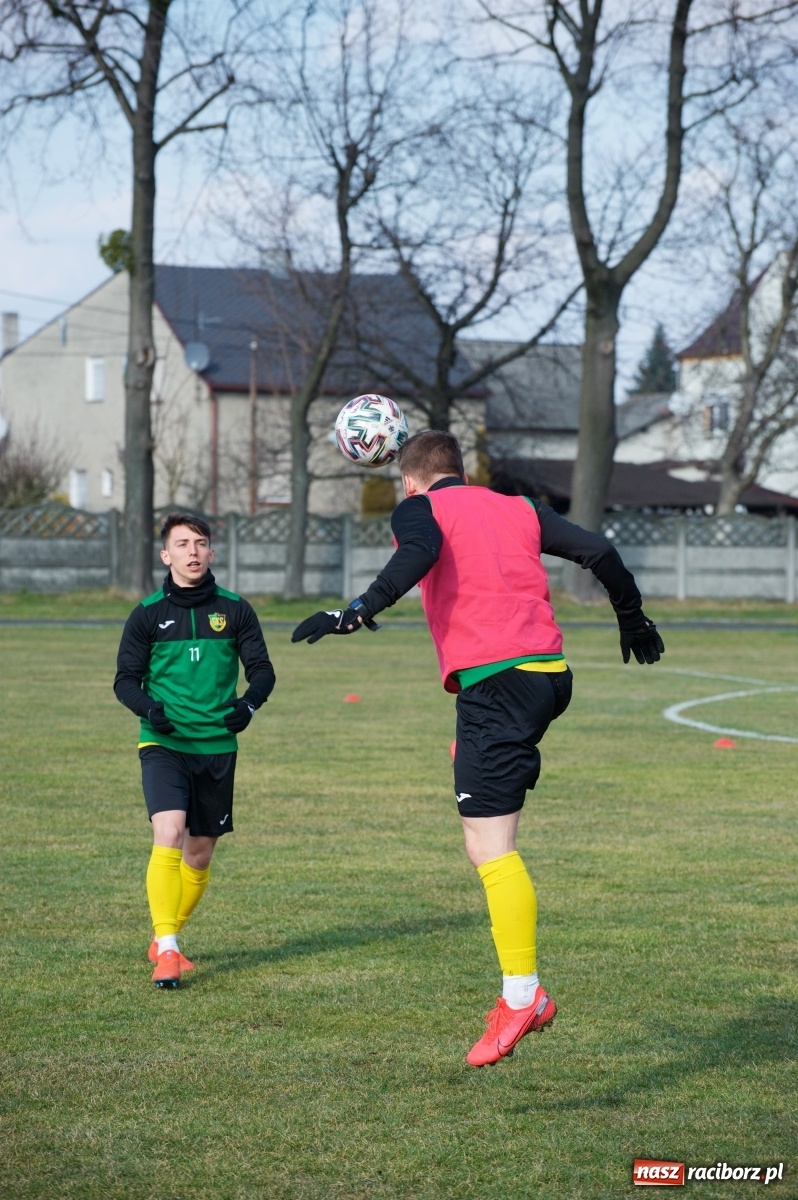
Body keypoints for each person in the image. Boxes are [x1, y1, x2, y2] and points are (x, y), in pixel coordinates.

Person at [292, 430, 663, 1066]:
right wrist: (632, 617)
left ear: (409, 480)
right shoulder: (516, 506)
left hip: (499, 683)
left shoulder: (418, 508)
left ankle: (524, 997)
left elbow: (420, 551)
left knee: (490, 848)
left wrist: (356, 609)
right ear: (461, 470)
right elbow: (599, 550)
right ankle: (522, 992)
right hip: (546, 677)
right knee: (478, 806)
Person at [114, 513, 275, 988]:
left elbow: (262, 671)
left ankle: (168, 933)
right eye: (181, 544)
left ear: (210, 553)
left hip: (217, 746)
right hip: (163, 742)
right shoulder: (146, 612)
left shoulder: (236, 609)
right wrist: (150, 709)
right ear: (166, 556)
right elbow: (124, 680)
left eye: (200, 543)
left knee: (200, 853)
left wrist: (248, 706)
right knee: (170, 830)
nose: (192, 551)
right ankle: (167, 950)